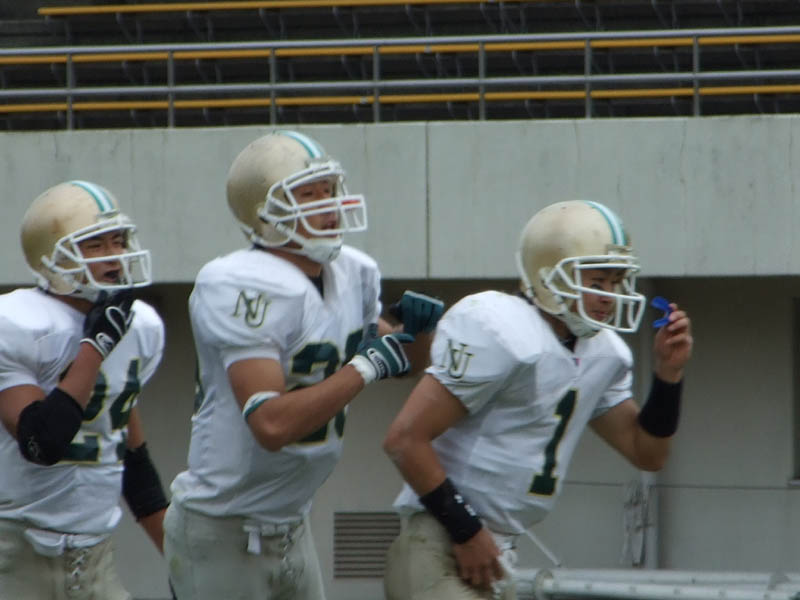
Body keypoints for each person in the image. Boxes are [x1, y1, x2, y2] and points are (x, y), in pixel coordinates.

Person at [164, 130, 443, 600]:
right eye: (308, 194)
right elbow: (270, 425)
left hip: (293, 522)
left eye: (329, 190)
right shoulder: (241, 283)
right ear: (264, 213)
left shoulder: (352, 271)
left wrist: (421, 333)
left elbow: (400, 361)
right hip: (223, 529)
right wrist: (364, 367)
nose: (328, 205)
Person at [383, 199, 693, 600]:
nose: (609, 296)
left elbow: (647, 452)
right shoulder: (499, 327)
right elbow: (405, 439)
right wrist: (466, 530)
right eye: (597, 281)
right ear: (549, 277)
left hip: (494, 549)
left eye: (616, 282)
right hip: (442, 537)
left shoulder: (603, 353)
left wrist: (669, 375)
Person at [0, 180, 169, 600]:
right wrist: (94, 348)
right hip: (15, 560)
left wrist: (183, 560)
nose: (114, 255)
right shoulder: (15, 323)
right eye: (95, 244)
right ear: (52, 257)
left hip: (97, 564)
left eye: (118, 240)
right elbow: (41, 442)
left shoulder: (140, 326)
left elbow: (130, 457)